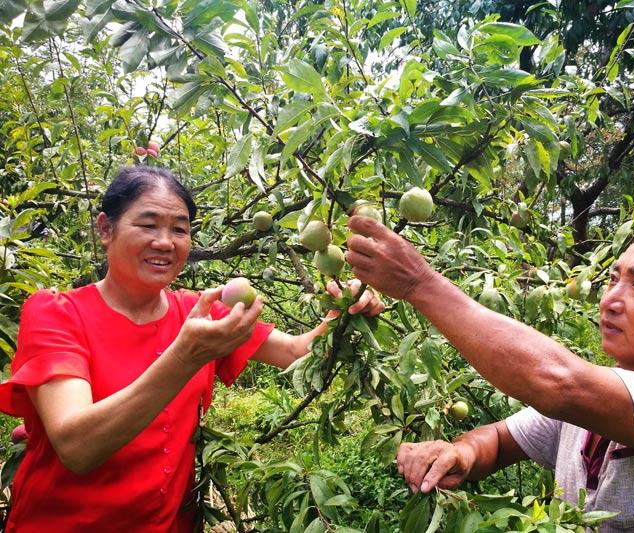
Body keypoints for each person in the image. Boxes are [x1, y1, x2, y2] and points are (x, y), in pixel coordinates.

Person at [0, 166, 383, 532]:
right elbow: (77, 446)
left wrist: (345, 313)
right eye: (148, 225)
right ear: (105, 228)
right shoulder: (56, 313)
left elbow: (295, 353)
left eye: (179, 229)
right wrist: (185, 356)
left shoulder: (196, 312)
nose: (165, 242)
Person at [344, 207, 634, 532]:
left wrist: (419, 283)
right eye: (614, 279)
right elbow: (500, 438)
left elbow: (557, 383)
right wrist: (462, 453)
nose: (610, 301)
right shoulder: (602, 399)